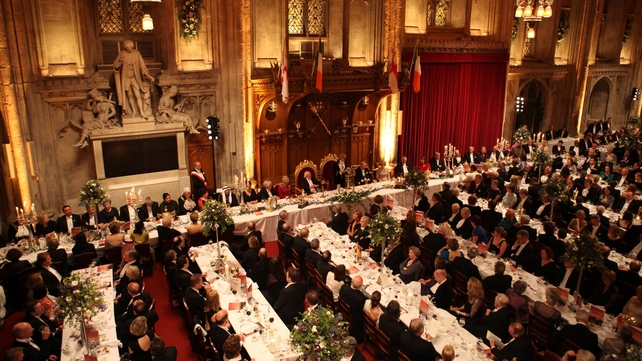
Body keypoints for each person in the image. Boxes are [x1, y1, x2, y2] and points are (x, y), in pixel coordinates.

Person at [113, 39, 155, 119]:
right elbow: (115, 64)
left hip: (135, 78)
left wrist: (147, 75)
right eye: (127, 47)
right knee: (130, 96)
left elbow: (142, 66)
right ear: (125, 47)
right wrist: (119, 63)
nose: (129, 48)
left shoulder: (137, 53)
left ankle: (141, 112)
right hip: (126, 79)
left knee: (137, 95)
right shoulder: (122, 53)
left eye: (130, 47)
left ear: (132, 46)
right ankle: (134, 111)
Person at [339, 276, 368, 342]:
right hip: (354, 317)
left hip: (345, 311)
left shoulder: (344, 288)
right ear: (360, 287)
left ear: (351, 281)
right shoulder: (361, 298)